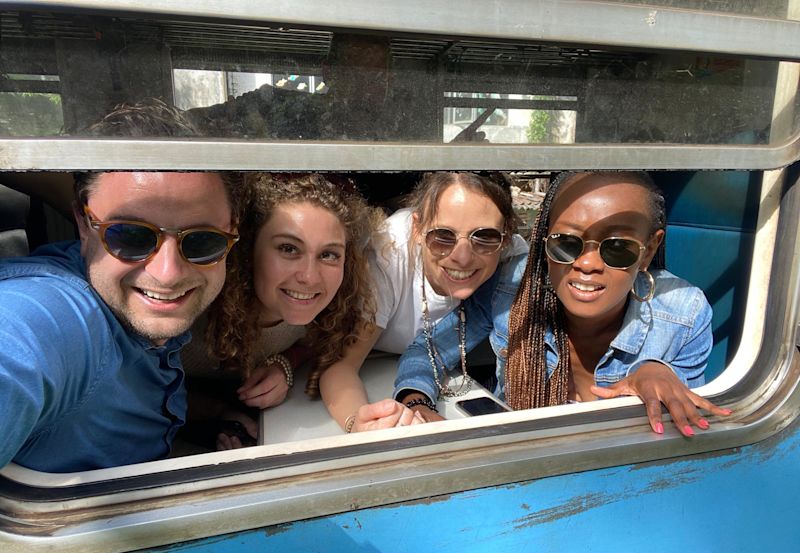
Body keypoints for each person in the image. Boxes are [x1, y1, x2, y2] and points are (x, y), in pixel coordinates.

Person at [0, 99, 242, 472]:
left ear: (232, 231)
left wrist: (223, 411)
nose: (168, 273)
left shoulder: (135, 319)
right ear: (83, 223)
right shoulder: (58, 318)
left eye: (202, 241)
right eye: (130, 236)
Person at [394, 171, 731, 436]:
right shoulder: (508, 288)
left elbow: (682, 424)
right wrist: (417, 404)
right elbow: (429, 349)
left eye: (617, 248)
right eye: (566, 243)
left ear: (649, 250)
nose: (587, 263)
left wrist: (657, 372)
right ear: (543, 242)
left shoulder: (684, 313)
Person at [183, 173, 387, 448]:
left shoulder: (325, 312)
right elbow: (139, 392)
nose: (310, 277)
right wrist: (215, 412)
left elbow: (313, 342)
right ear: (248, 250)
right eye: (289, 249)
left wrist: (286, 363)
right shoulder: (191, 307)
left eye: (329, 254)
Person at [318, 171, 528, 433]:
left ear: (505, 237)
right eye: (443, 236)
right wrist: (360, 426)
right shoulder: (389, 252)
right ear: (417, 228)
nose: (462, 258)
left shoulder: (512, 261)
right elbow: (342, 365)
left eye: (484, 237)